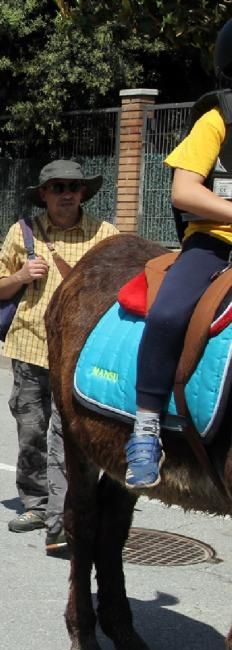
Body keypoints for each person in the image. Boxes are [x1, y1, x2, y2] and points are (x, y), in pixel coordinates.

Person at [126, 19, 232, 489]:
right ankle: (146, 426)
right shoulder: (216, 120)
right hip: (215, 243)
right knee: (169, 313)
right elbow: (184, 192)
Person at [0, 160, 118, 553]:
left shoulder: (105, 235)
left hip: (82, 354)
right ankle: (35, 503)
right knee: (31, 431)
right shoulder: (23, 232)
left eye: (74, 187)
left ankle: (68, 512)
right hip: (30, 347)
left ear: (84, 193)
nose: (67, 193)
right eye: (58, 187)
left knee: (74, 437)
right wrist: (21, 275)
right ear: (44, 193)